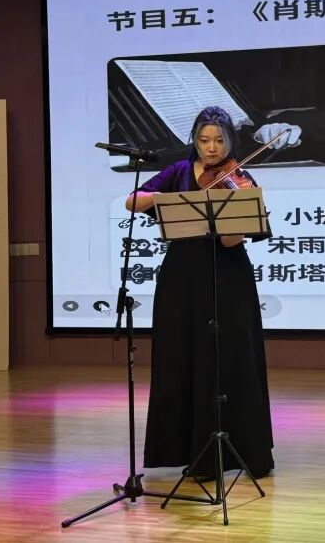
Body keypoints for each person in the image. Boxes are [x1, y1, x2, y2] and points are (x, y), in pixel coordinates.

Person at [125, 106, 274, 482]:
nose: (211, 148)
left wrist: (230, 214)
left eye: (219, 140)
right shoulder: (177, 171)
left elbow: (230, 241)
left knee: (227, 356)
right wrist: (162, 200)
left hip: (226, 277)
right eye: (204, 140)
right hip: (182, 278)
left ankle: (235, 450)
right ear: (194, 140)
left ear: (230, 141)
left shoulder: (239, 177)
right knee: (183, 356)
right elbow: (132, 200)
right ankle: (189, 449)